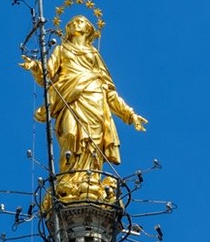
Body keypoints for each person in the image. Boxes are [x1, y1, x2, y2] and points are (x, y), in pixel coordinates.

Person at [20, 15, 146, 200]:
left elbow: (110, 92)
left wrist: (130, 114)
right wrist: (34, 67)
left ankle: (91, 179)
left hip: (95, 100)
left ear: (88, 29)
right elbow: (47, 76)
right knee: (70, 135)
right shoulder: (61, 49)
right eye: (72, 22)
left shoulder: (94, 55)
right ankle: (69, 178)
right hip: (69, 99)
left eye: (80, 21)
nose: (74, 23)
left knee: (93, 145)